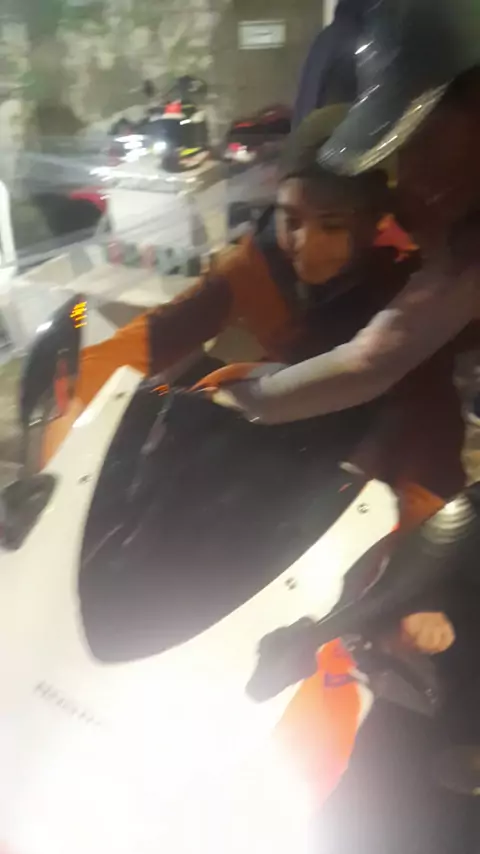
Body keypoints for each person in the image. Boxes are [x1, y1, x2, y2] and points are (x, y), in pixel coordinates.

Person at [68, 103, 464, 499]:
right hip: (302, 427)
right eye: (291, 219)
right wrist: (79, 392)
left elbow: (417, 405)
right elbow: (166, 330)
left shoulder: (409, 276)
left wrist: (357, 476)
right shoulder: (257, 264)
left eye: (332, 226)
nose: (304, 243)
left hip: (401, 459)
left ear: (373, 222)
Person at [292, 0, 366, 128]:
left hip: (316, 128)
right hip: (336, 128)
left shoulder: (327, 38)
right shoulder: (357, 40)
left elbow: (310, 94)